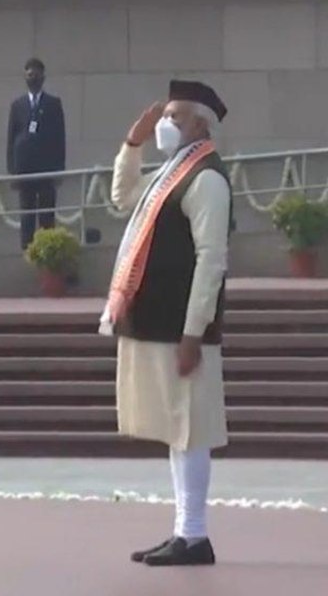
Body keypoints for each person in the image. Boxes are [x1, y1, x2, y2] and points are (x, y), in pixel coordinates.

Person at [100, 80, 232, 567]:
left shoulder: (206, 179)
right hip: (155, 322)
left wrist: (194, 332)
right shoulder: (172, 173)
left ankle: (194, 534)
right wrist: (132, 145)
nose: (165, 124)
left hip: (182, 328)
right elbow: (121, 199)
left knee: (191, 429)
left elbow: (211, 260)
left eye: (175, 117)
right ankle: (184, 532)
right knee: (178, 431)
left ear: (200, 124)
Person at [6, 57, 67, 251]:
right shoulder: (18, 106)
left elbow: (60, 138)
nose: (32, 77)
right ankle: (27, 251)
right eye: (29, 74)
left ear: (43, 76)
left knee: (47, 213)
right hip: (25, 169)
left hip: (47, 168)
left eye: (36, 74)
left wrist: (59, 169)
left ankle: (47, 251)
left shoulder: (53, 104)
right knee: (27, 214)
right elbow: (11, 138)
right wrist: (12, 170)